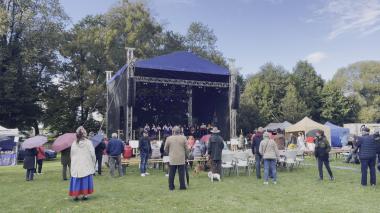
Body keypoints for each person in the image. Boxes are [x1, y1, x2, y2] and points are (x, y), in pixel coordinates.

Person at [69, 126, 96, 201]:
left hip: (76, 164)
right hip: (86, 163)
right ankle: (85, 195)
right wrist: (93, 162)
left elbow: (71, 154)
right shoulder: (89, 142)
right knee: (85, 178)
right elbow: (92, 154)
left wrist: (73, 162)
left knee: (77, 178)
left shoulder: (74, 143)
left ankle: (76, 196)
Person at [164, 126, 188, 191]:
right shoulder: (184, 138)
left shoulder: (169, 138)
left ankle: (171, 187)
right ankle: (182, 187)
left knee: (171, 173)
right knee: (181, 174)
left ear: (173, 131)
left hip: (172, 158)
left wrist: (170, 153)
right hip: (181, 158)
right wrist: (186, 156)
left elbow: (165, 149)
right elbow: (187, 149)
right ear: (180, 131)